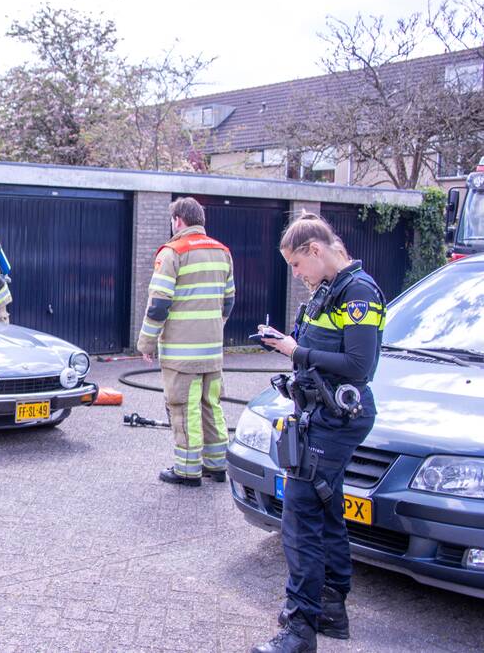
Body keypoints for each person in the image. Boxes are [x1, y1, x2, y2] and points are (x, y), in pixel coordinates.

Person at [252, 213, 386, 653]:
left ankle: (299, 630)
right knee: (325, 510)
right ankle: (330, 609)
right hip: (317, 415)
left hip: (335, 419)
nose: (296, 274)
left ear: (315, 250)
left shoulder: (359, 292)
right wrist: (286, 342)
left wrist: (297, 350)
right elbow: (315, 349)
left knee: (300, 519)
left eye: (296, 265)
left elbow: (359, 366)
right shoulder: (327, 292)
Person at [137, 197, 235, 486]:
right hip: (212, 352)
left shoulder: (173, 252)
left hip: (182, 355)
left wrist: (146, 343)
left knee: (184, 407)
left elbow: (158, 305)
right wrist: (213, 328)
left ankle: (187, 470)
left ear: (178, 220)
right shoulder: (222, 252)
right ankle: (217, 465)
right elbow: (228, 301)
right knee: (211, 405)